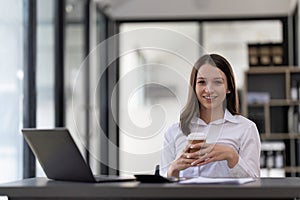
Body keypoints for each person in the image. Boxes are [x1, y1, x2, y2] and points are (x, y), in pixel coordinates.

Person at [160, 54, 261, 178]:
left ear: (228, 87)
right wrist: (173, 170)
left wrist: (232, 156)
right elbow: (163, 187)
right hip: (185, 197)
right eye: (202, 82)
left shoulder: (246, 128)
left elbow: (255, 183)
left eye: (217, 82)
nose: (208, 89)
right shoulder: (174, 132)